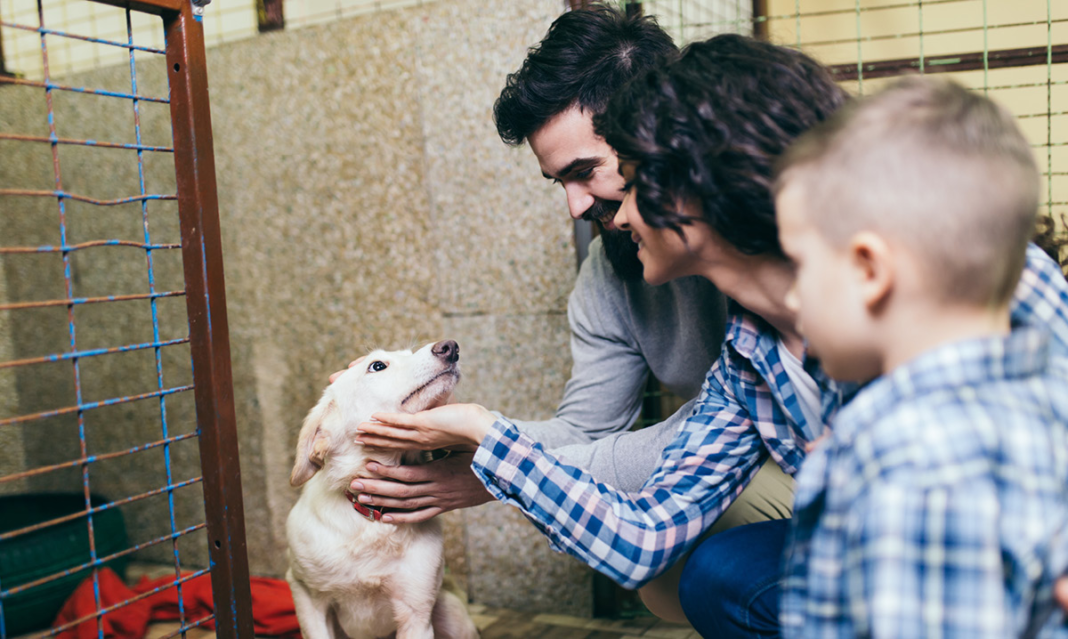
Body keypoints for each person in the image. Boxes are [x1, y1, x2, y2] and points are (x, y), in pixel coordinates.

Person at [353, 36, 1068, 638]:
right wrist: (488, 439)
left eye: (620, 175)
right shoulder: (750, 352)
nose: (596, 207)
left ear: (685, 175)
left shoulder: (962, 282)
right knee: (713, 572)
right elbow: (641, 535)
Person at [339, 6, 793, 623]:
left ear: (667, 139)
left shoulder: (812, 275)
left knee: (719, 566)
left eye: (597, 174)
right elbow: (608, 466)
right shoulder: (734, 345)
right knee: (675, 577)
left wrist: (492, 463)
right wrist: (481, 447)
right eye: (559, 183)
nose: (579, 207)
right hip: (764, 467)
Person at [774, 75, 1068, 638]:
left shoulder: (915, 465)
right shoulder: (1049, 390)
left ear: (869, 270)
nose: (791, 294)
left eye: (800, 265)